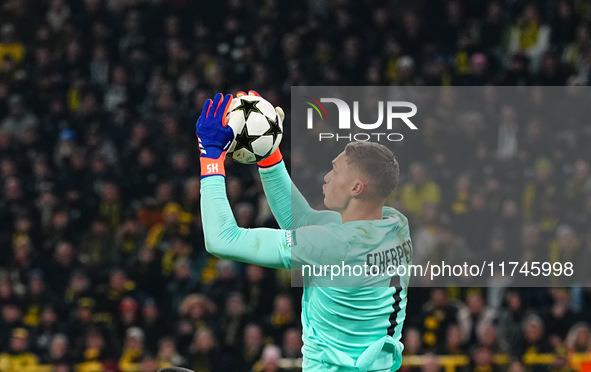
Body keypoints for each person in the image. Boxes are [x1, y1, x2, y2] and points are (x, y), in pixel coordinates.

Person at [196, 92, 412, 371]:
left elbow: (222, 239)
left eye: (335, 171)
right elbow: (301, 220)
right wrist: (269, 154)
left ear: (356, 188)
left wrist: (210, 158)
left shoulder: (334, 246)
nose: (326, 177)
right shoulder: (395, 225)